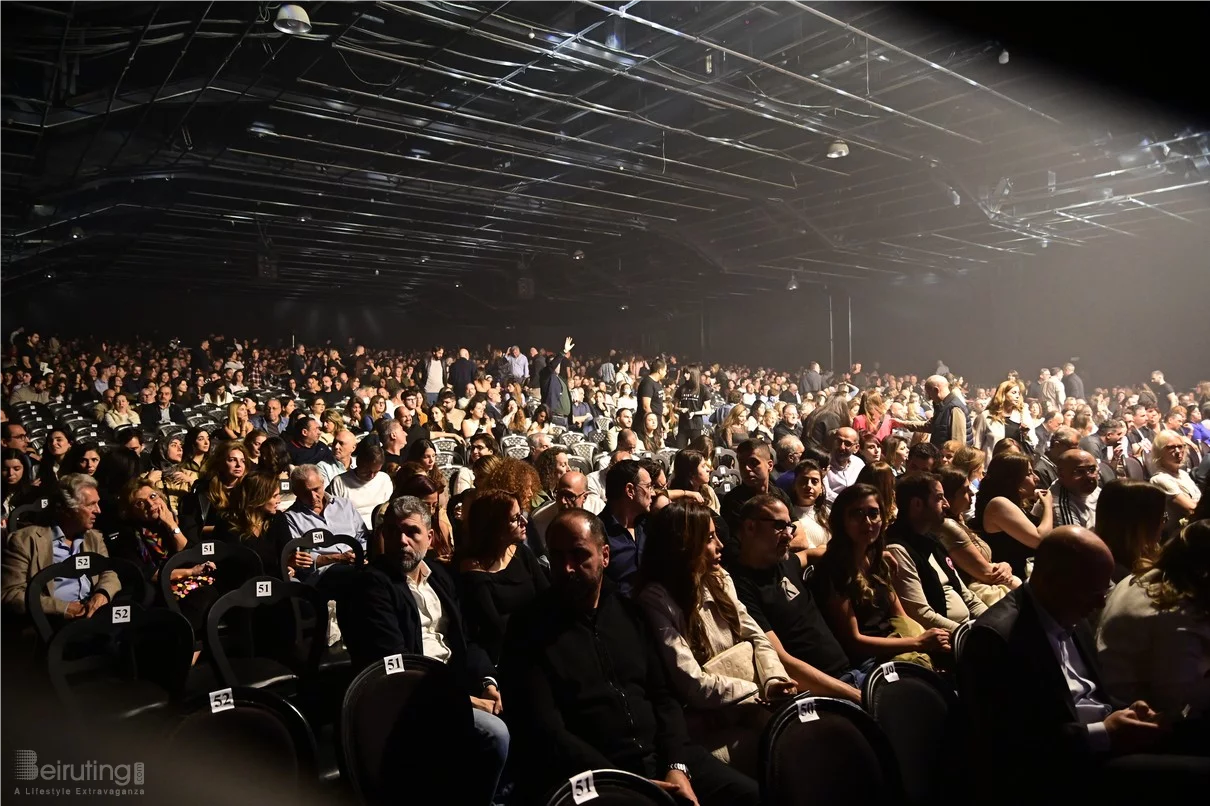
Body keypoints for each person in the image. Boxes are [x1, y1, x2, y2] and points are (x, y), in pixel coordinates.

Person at [500, 509, 761, 806]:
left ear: (605, 556)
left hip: (664, 757)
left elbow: (664, 697)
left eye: (579, 554)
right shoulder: (528, 629)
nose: (567, 567)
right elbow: (545, 730)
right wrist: (628, 783)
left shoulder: (628, 612)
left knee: (752, 797)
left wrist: (676, 765)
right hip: (595, 774)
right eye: (557, 557)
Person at [960, 526, 1210, 800]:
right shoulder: (996, 639)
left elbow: (1094, 695)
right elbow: (1011, 745)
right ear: (1049, 579)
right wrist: (1104, 732)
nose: (1101, 602)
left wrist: (1129, 711)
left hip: (1101, 744)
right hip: (1063, 774)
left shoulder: (1070, 610)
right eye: (1093, 592)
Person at [334, 496, 508, 804]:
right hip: (410, 698)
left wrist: (488, 683)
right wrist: (465, 701)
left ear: (430, 537)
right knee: (494, 733)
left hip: (454, 683)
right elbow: (395, 668)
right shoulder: (372, 586)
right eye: (392, 531)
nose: (401, 540)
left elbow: (466, 639)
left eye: (412, 532)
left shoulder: (439, 577)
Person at [636, 500, 796, 774]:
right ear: (683, 545)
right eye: (709, 538)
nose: (721, 545)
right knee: (776, 756)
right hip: (711, 723)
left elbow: (757, 638)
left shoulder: (719, 578)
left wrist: (773, 681)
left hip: (751, 703)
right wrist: (755, 691)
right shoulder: (657, 599)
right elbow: (693, 684)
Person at [818, 484, 950, 669]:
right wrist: (919, 643)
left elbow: (899, 614)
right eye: (857, 514)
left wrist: (934, 640)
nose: (868, 522)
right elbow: (855, 642)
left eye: (873, 513)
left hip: (897, 642)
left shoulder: (876, 559)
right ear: (842, 520)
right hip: (869, 661)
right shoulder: (832, 570)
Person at [1098, 520, 1210, 717]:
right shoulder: (1177, 613)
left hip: (1115, 696)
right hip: (1130, 718)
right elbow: (1177, 702)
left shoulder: (1143, 577)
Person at [0, 474, 120, 621]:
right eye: (90, 505)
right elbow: (11, 594)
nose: (98, 510)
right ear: (68, 509)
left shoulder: (94, 537)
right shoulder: (25, 540)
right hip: (50, 623)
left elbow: (109, 573)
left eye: (97, 503)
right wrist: (63, 608)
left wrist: (102, 594)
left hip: (92, 617)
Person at [455, 490, 549, 664]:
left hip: (540, 640)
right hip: (506, 655)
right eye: (515, 519)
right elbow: (494, 627)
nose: (524, 522)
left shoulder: (522, 553)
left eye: (521, 515)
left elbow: (547, 597)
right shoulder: (473, 571)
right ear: (494, 526)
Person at [884, 473, 987, 631]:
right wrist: (968, 634)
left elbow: (966, 595)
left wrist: (992, 621)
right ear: (917, 504)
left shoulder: (932, 539)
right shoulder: (898, 549)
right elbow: (921, 614)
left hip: (968, 629)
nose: (946, 504)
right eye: (939, 498)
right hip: (945, 640)